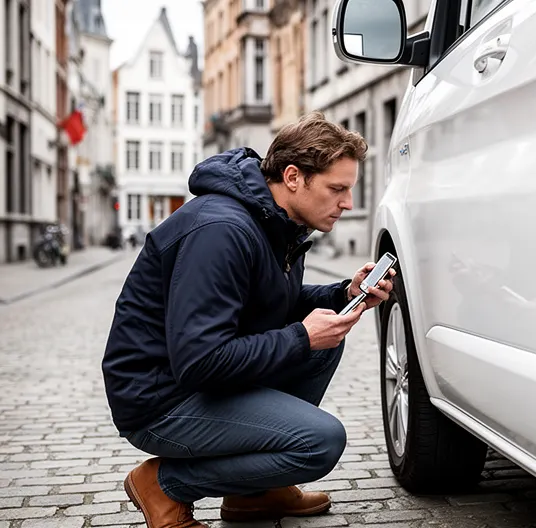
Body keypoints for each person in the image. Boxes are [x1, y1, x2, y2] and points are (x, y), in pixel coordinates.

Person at [101, 111, 395, 527]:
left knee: (325, 337)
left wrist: (342, 293)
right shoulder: (221, 230)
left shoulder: (273, 221)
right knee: (319, 441)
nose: (347, 202)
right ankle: (165, 485)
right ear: (293, 177)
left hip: (194, 384)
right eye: (337, 189)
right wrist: (301, 338)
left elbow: (268, 303)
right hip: (159, 400)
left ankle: (253, 494)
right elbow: (199, 360)